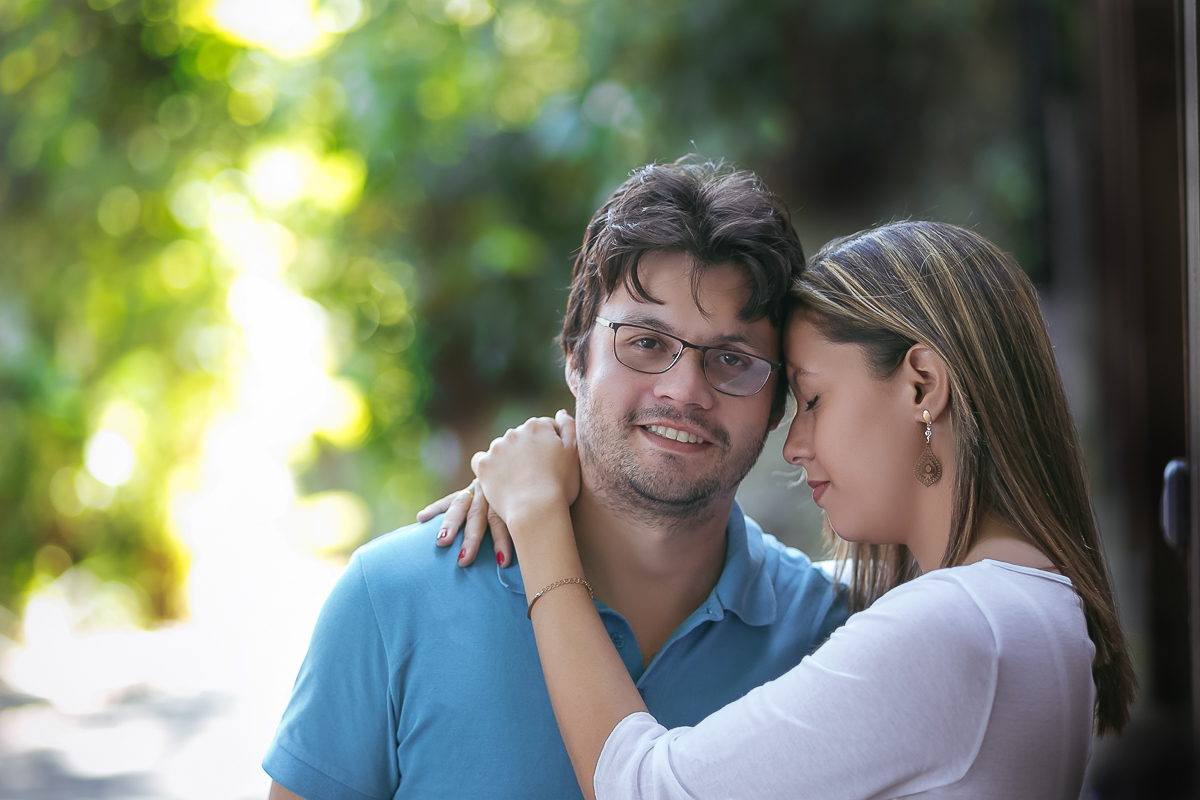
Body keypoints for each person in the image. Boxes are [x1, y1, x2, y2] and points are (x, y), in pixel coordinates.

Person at [466, 220, 1137, 799]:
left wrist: (538, 512)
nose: (793, 445)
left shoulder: (956, 631)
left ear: (922, 387)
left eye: (812, 400)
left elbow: (645, 787)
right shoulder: (1031, 608)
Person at [263, 158, 849, 800]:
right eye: (646, 342)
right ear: (576, 356)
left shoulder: (834, 635)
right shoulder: (391, 598)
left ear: (775, 406)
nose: (684, 390)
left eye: (732, 360)